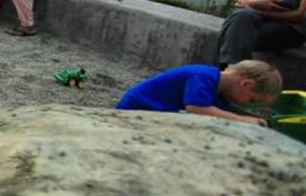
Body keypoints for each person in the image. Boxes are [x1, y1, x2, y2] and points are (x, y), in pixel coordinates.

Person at [117, 61, 280, 127]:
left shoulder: (221, 96)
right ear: (246, 84)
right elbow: (196, 109)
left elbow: (218, 114)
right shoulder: (204, 76)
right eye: (251, 99)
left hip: (158, 114)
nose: (246, 104)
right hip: (136, 110)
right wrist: (243, 120)